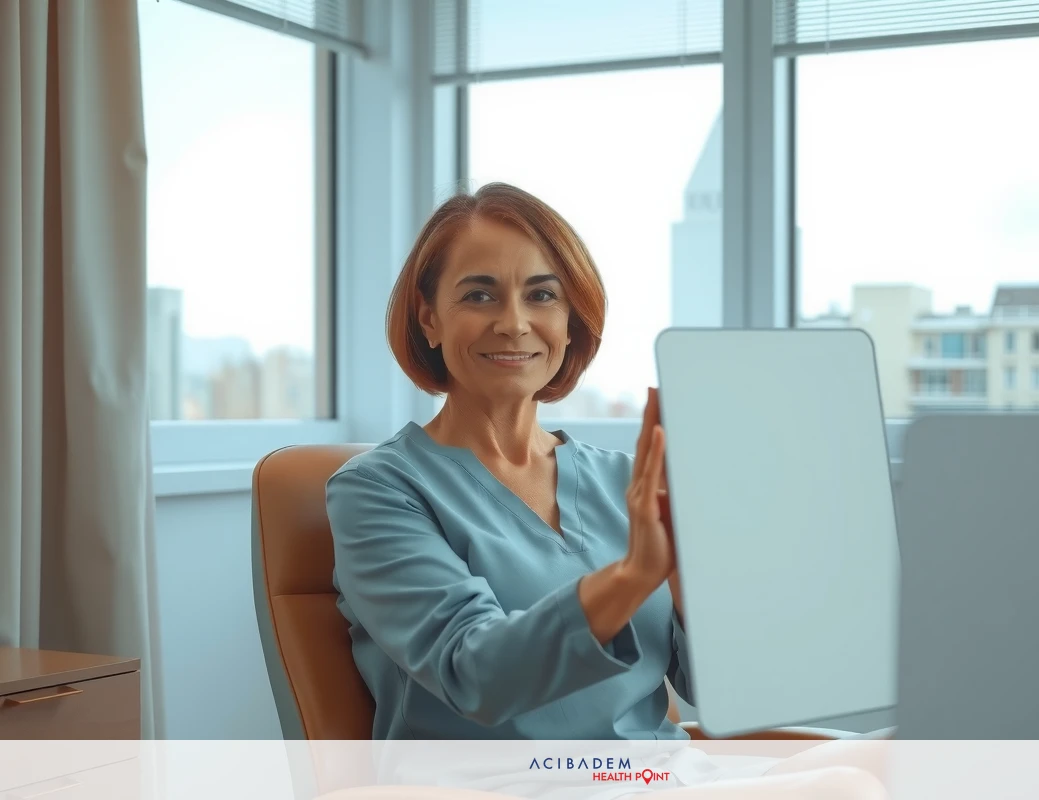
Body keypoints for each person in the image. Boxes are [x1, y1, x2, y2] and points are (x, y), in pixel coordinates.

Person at [325, 183, 887, 796]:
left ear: (570, 324)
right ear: (428, 317)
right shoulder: (378, 491)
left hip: (659, 777)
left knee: (912, 754)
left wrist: (700, 591)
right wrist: (634, 576)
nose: (513, 323)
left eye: (542, 295)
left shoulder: (629, 480)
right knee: (845, 786)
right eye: (479, 294)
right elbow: (476, 673)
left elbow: (712, 687)